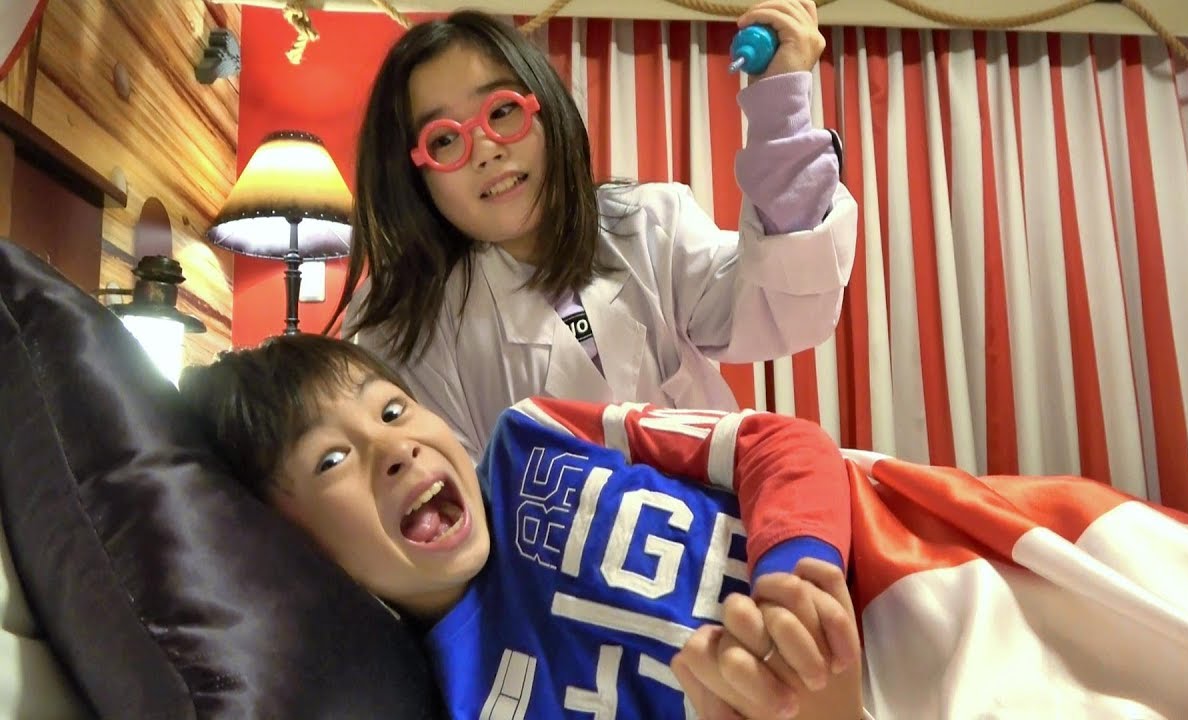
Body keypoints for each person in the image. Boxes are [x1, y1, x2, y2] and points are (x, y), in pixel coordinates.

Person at [180, 334, 864, 720]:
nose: (394, 449)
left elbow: (776, 443)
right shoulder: (468, 701)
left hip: (895, 561)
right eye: (330, 460)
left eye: (391, 411)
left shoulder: (534, 436)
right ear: (296, 550)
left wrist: (795, 571)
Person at [330, 3, 858, 464]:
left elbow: (784, 307)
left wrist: (780, 115)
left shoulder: (647, 226)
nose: (486, 149)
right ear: (413, 175)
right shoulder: (404, 323)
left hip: (714, 529)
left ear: (547, 110)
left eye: (503, 111)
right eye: (444, 140)